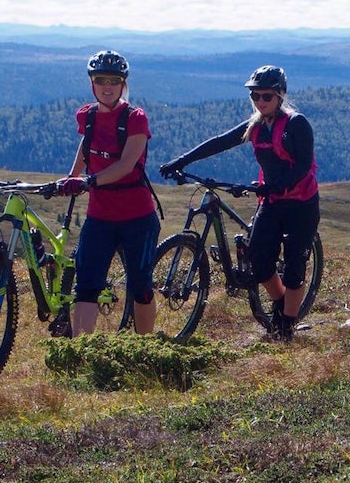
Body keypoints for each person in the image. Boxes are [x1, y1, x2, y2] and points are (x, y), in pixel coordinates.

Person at [159, 65, 319, 340]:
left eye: (266, 97)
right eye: (255, 96)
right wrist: (181, 161)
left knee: (294, 267)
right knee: (259, 260)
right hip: (271, 201)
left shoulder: (296, 124)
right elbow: (220, 142)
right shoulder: (255, 126)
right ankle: (282, 304)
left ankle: (286, 328)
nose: (259, 102)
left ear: (280, 95)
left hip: (301, 204)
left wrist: (276, 185)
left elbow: (304, 166)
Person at [53, 50, 160, 337]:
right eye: (101, 79)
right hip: (99, 217)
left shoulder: (135, 119)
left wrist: (89, 181)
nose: (107, 85)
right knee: (86, 285)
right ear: (92, 83)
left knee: (141, 287)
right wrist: (71, 177)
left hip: (137, 218)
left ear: (123, 83)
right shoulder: (86, 116)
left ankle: (146, 347)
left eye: (114, 80)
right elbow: (86, 148)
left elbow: (127, 165)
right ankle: (79, 353)